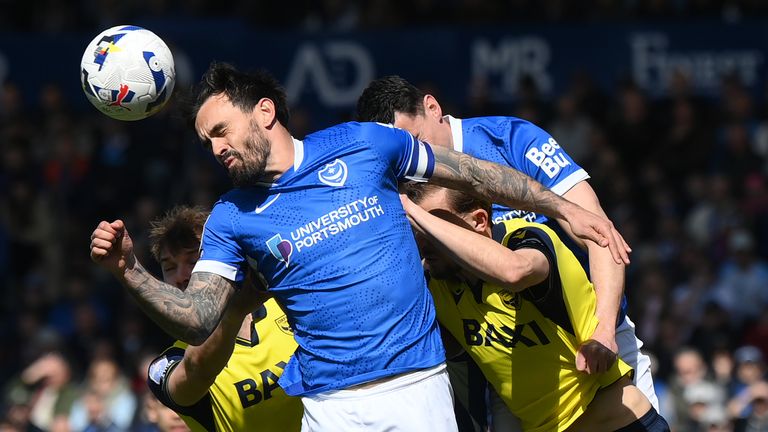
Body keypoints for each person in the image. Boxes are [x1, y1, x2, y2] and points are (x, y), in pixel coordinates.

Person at [89, 62, 628, 431]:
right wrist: (129, 270)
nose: (217, 148)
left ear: (266, 112)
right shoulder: (232, 216)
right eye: (208, 141)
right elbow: (198, 318)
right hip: (331, 407)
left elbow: (476, 174)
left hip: (420, 386)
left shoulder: (364, 145)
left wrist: (564, 208)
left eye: (223, 130)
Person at [356, 75, 658, 410]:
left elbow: (598, 234)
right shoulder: (397, 181)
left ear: (433, 107)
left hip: (592, 340)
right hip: (507, 367)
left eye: (415, 141)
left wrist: (603, 331)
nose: (412, 159)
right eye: (399, 153)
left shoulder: (509, 140)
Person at [402, 182, 668, 431]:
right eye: (418, 229)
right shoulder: (436, 281)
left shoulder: (525, 239)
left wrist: (414, 211)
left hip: (621, 425)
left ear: (480, 221)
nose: (424, 237)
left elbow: (515, 271)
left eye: (436, 225)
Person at [143, 206, 303, 431]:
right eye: (169, 267)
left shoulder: (287, 305)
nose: (180, 277)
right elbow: (197, 372)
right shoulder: (171, 363)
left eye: (193, 260)